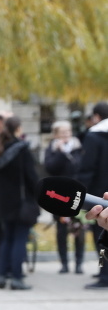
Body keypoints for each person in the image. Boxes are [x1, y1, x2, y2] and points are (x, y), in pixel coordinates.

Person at [0, 116, 38, 291]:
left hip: (2, 202)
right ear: (18, 130)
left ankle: (1, 275)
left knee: (6, 238)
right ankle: (16, 277)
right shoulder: (21, 150)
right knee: (19, 239)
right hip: (22, 202)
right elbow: (32, 177)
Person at [43, 120, 85, 274]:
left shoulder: (78, 148)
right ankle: (64, 263)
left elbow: (80, 167)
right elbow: (50, 168)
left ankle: (79, 263)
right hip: (59, 195)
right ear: (55, 135)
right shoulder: (52, 149)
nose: (66, 135)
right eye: (62, 133)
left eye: (68, 132)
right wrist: (60, 152)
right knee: (61, 230)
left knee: (79, 228)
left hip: (76, 193)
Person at [78, 102, 108, 289]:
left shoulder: (94, 136)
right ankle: (103, 271)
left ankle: (104, 273)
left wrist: (81, 194)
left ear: (96, 116)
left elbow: (87, 168)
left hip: (98, 197)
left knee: (101, 238)